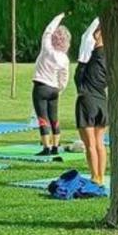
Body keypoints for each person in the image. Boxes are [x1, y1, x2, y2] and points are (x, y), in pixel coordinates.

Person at [32, 13, 71, 156]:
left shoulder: (47, 49)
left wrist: (59, 17)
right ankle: (55, 146)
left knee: (43, 117)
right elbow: (64, 76)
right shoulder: (64, 58)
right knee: (54, 117)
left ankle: (46, 147)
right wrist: (60, 89)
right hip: (54, 89)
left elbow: (48, 30)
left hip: (41, 87)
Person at [75, 18, 108, 186]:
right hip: (102, 102)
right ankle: (100, 176)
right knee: (100, 143)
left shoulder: (90, 58)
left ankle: (95, 176)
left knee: (90, 145)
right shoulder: (110, 59)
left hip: (87, 101)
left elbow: (78, 77)